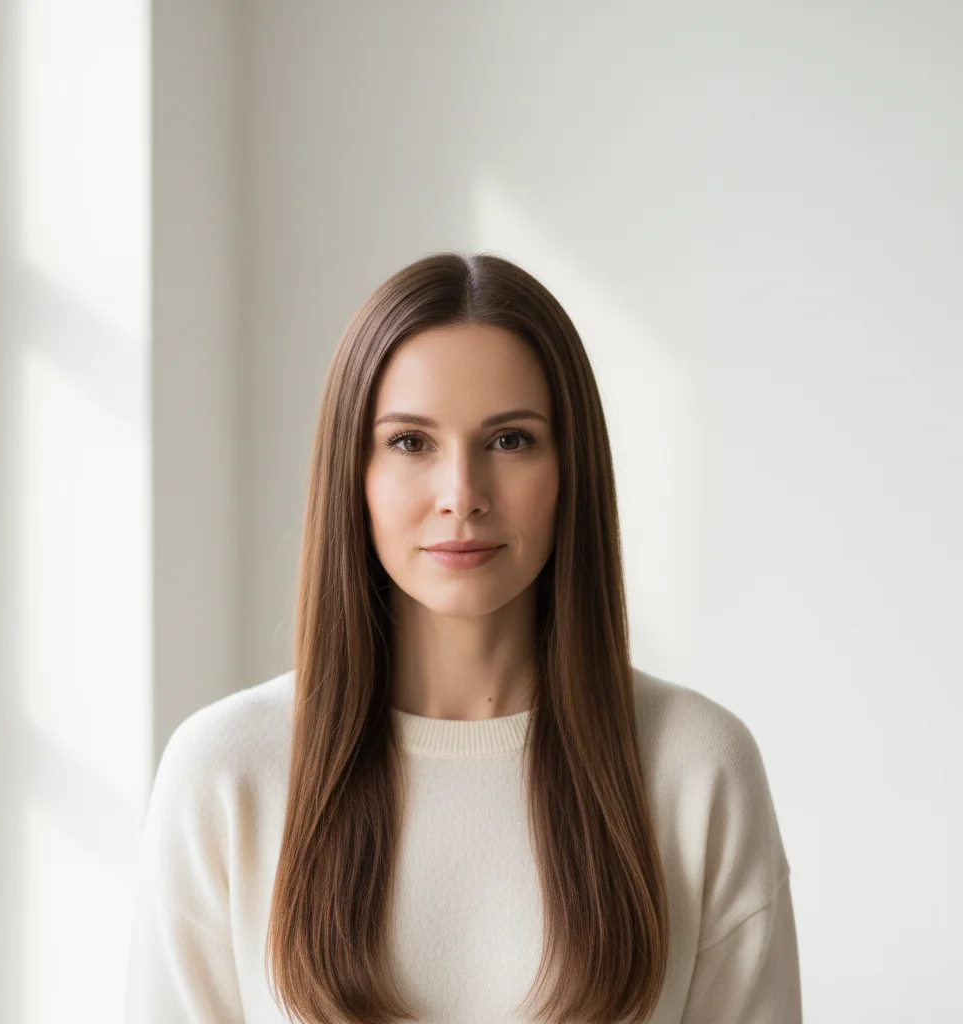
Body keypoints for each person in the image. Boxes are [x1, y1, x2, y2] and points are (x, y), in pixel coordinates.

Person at [124, 252, 802, 1022]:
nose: (462, 496)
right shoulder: (226, 773)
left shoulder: (697, 767)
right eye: (411, 443)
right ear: (354, 473)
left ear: (570, 469)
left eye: (509, 440)